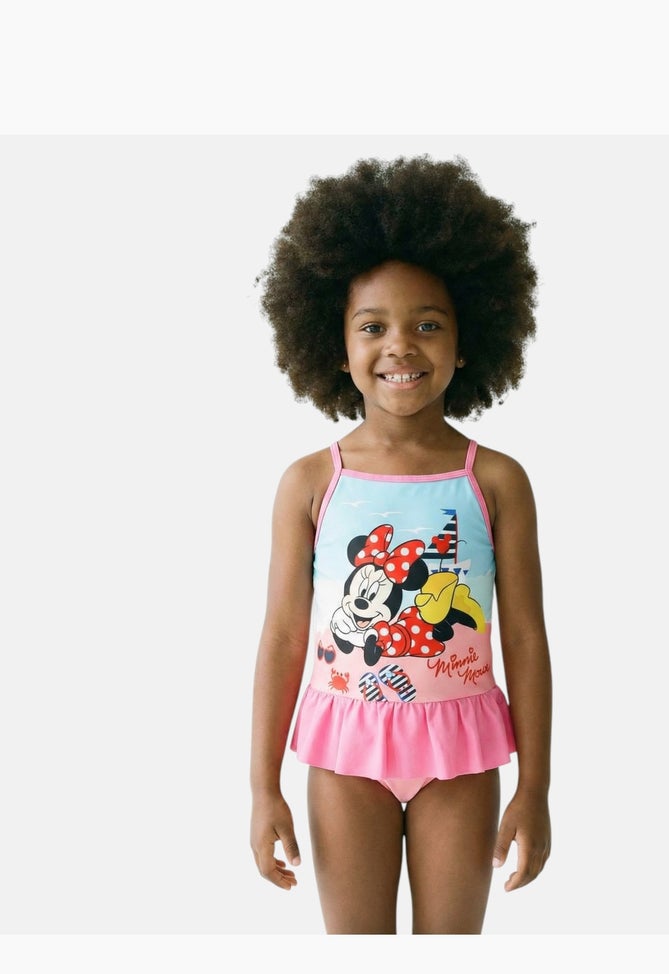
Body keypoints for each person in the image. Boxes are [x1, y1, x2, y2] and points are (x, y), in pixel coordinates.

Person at [249, 155, 552, 934]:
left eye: (428, 324)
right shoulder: (311, 482)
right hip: (345, 756)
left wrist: (536, 789)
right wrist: (262, 787)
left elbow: (524, 635)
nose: (400, 346)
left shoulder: (498, 481)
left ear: (467, 337)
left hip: (461, 756)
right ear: (334, 342)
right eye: (372, 326)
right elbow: (283, 636)